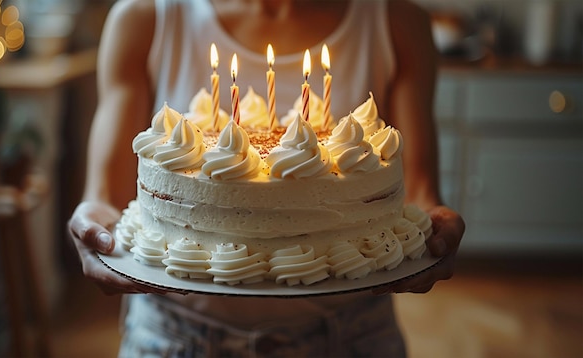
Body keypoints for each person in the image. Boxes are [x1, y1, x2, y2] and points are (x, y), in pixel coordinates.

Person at [68, 0, 466, 356]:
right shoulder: (144, 17)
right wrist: (95, 220)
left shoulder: (397, 20)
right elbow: (108, 195)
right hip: (173, 334)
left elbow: (417, 192)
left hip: (352, 334)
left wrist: (433, 229)